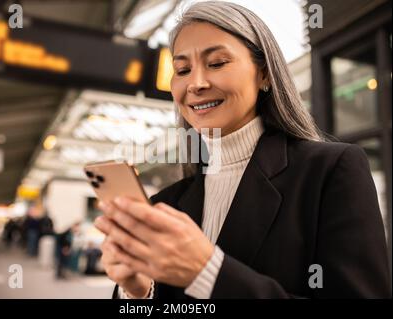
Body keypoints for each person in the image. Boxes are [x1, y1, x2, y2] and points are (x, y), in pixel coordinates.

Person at [94, 1, 391, 298]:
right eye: (182, 69)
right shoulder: (168, 204)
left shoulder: (329, 171)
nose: (195, 84)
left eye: (217, 63)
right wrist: (139, 292)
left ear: (264, 74)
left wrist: (209, 272)